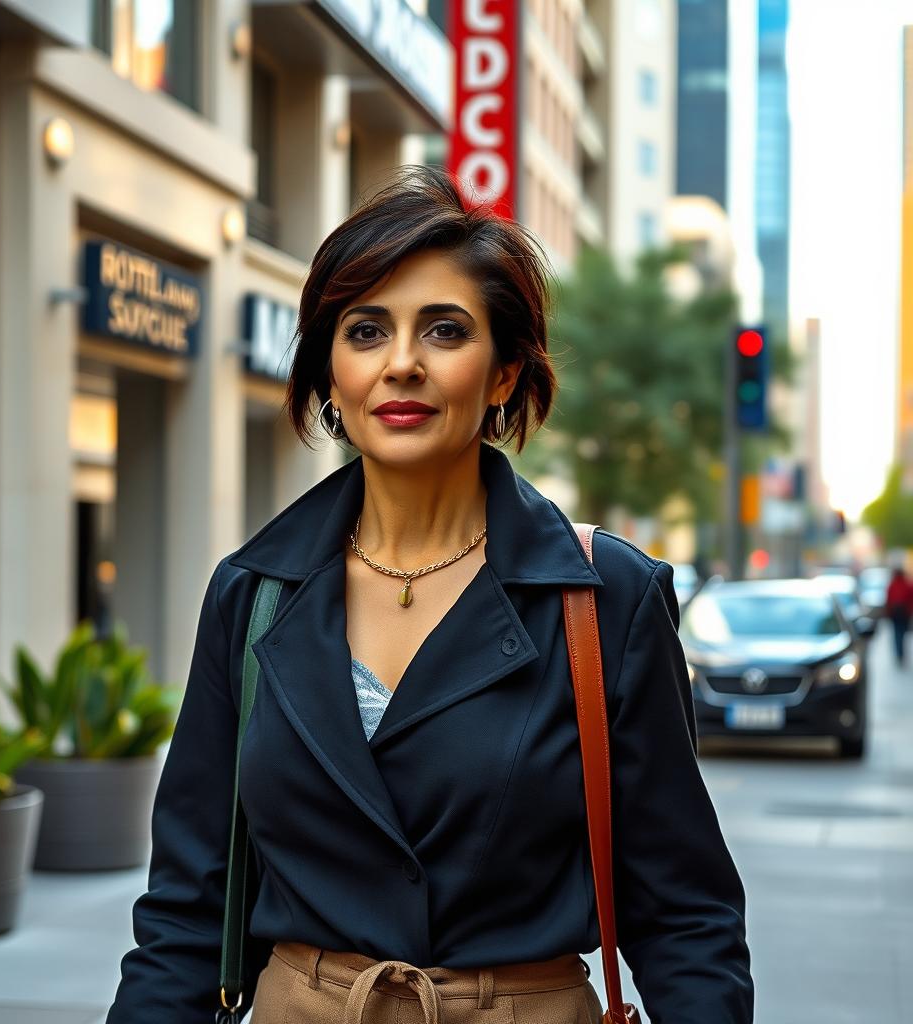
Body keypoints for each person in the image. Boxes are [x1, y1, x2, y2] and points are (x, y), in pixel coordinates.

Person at [106, 166, 754, 1024]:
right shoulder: (253, 593)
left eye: (445, 332)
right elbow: (187, 910)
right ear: (331, 373)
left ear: (503, 374)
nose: (401, 363)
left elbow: (684, 917)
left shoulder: (605, 601)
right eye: (366, 330)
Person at [885, 566, 913, 665]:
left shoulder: (893, 585)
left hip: (898, 613)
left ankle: (899, 652)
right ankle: (900, 652)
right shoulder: (906, 584)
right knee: (900, 633)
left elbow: (888, 600)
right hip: (901, 613)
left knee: (898, 633)